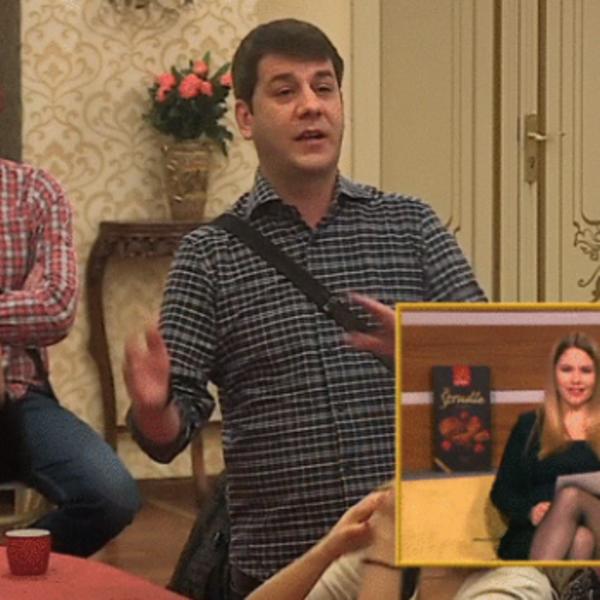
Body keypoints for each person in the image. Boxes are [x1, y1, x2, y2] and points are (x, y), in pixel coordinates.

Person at [124, 18, 485, 598]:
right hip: (283, 568)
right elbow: (167, 436)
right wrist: (151, 407)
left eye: (324, 87)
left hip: (416, 556)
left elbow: (490, 367)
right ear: (246, 118)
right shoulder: (210, 255)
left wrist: (420, 355)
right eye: (285, 91)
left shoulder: (410, 226)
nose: (311, 106)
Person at [0, 152, 141, 556]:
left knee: (111, 496)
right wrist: (17, 305)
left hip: (19, 396)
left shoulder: (34, 191)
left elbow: (56, 308)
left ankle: (11, 570)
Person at [491, 331, 600, 561]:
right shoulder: (530, 426)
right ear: (554, 374)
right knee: (581, 539)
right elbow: (502, 492)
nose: (576, 379)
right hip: (538, 533)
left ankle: (541, 580)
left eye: (585, 371)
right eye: (567, 370)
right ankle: (569, 583)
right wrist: (530, 512)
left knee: (571, 497)